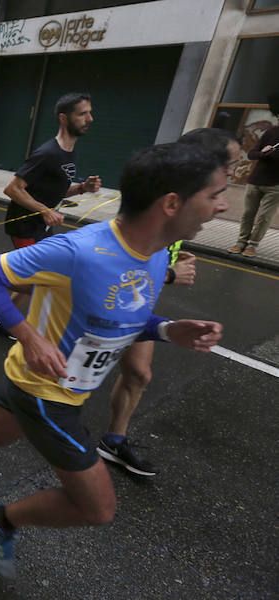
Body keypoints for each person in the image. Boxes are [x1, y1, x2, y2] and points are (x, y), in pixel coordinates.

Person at [0, 142, 227, 579]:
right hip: (46, 391)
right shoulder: (80, 250)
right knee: (97, 508)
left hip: (53, 386)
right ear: (172, 203)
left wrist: (170, 330)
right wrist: (28, 335)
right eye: (214, 195)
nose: (223, 207)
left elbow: (122, 319)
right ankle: (0, 519)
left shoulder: (154, 255)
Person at [99, 127, 241, 477]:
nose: (233, 175)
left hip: (138, 303)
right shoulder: (165, 196)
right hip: (110, 302)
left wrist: (174, 252)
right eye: (230, 165)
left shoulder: (195, 200)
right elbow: (116, 263)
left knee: (139, 373)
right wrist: (171, 274)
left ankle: (113, 441)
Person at [0, 92, 102, 340]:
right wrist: (45, 211)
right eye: (83, 114)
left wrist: (82, 188)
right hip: (24, 225)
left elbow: (55, 189)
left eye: (90, 112)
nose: (90, 119)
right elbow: (12, 188)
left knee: (42, 276)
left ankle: (2, 318)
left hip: (40, 226)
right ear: (64, 119)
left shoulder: (68, 152)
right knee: (39, 279)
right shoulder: (48, 153)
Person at [228, 92, 279, 258]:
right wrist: (264, 153)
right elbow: (252, 154)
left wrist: (271, 155)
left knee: (264, 217)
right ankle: (240, 242)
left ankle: (252, 245)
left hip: (275, 185)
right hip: (255, 181)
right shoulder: (271, 132)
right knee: (248, 213)